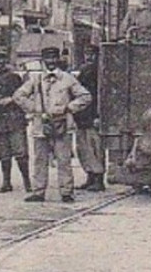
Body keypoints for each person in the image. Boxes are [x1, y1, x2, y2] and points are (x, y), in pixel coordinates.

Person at [13, 45, 92, 203]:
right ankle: (39, 191)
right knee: (40, 159)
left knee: (64, 160)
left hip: (63, 125)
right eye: (47, 58)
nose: (51, 62)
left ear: (58, 60)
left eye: (54, 58)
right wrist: (34, 109)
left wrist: (69, 108)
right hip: (40, 126)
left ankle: (66, 191)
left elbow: (85, 96)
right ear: (43, 60)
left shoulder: (67, 79)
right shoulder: (35, 79)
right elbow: (18, 96)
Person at [0, 49, 32, 193]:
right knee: (3, 153)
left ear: (6, 61)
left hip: (15, 119)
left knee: (21, 152)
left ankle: (27, 182)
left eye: (1, 60)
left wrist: (12, 100)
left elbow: (25, 96)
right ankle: (6, 182)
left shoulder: (15, 78)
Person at [73, 46, 105, 191]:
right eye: (87, 54)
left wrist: (99, 115)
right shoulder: (84, 70)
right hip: (82, 116)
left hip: (93, 116)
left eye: (92, 54)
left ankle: (99, 180)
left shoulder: (101, 72)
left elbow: (102, 96)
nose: (89, 57)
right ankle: (90, 177)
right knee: (84, 148)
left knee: (96, 148)